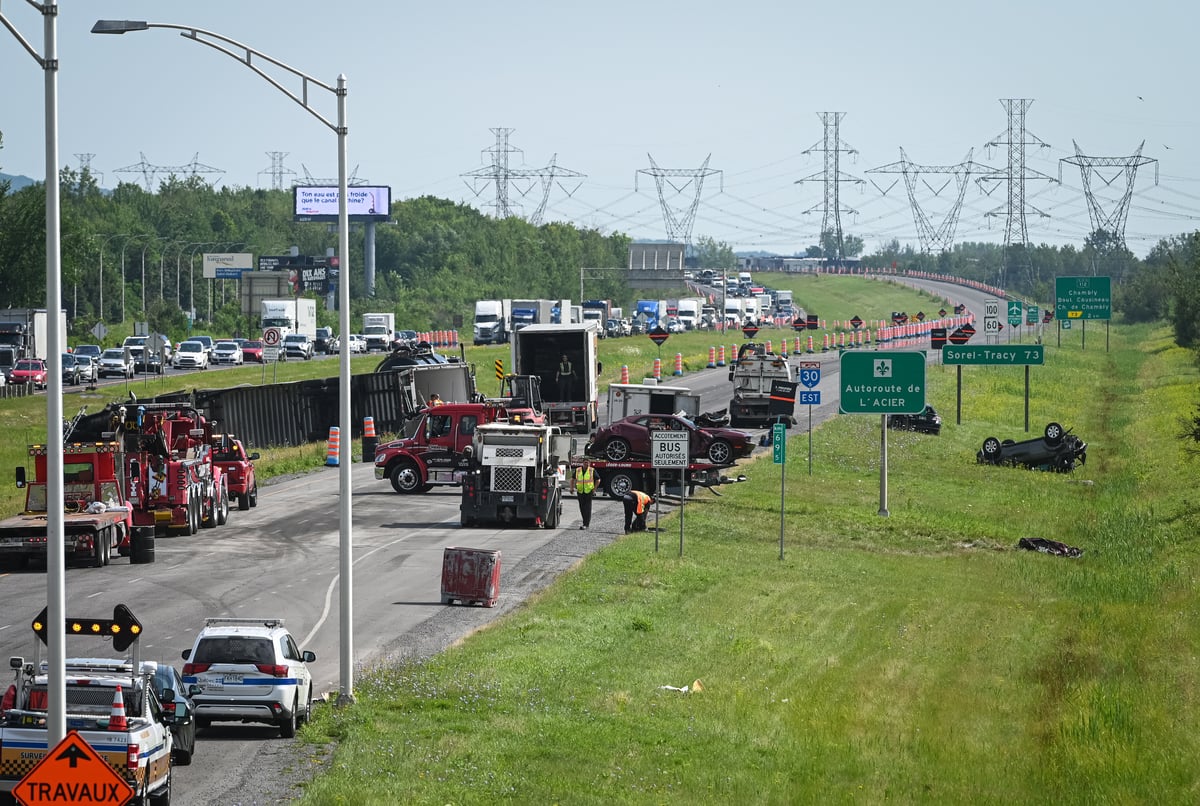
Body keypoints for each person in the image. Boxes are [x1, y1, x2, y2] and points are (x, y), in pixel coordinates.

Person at [573, 458, 597, 530]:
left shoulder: (592, 470)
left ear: (590, 464)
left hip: (588, 491)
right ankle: (585, 522)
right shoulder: (578, 470)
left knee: (587, 508)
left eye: (588, 463)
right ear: (582, 463)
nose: (586, 464)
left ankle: (586, 524)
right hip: (580, 491)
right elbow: (572, 479)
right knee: (582, 508)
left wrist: (594, 489)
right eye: (585, 462)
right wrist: (571, 488)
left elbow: (598, 480)